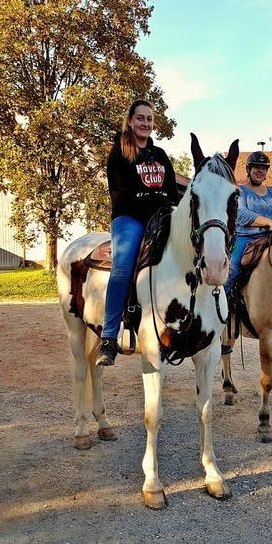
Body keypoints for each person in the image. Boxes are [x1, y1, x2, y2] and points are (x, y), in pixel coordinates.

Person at [96, 99, 179, 367]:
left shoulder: (161, 155)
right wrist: (152, 204)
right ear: (130, 121)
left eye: (149, 119)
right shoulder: (119, 153)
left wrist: (166, 209)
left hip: (160, 217)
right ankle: (109, 336)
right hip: (129, 218)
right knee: (122, 268)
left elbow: (169, 190)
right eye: (140, 118)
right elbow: (120, 194)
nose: (145, 123)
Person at [223, 151, 272, 347]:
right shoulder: (240, 191)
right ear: (249, 170)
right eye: (256, 167)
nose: (260, 171)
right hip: (246, 239)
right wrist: (270, 223)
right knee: (231, 271)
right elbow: (241, 214)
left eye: (263, 168)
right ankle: (220, 310)